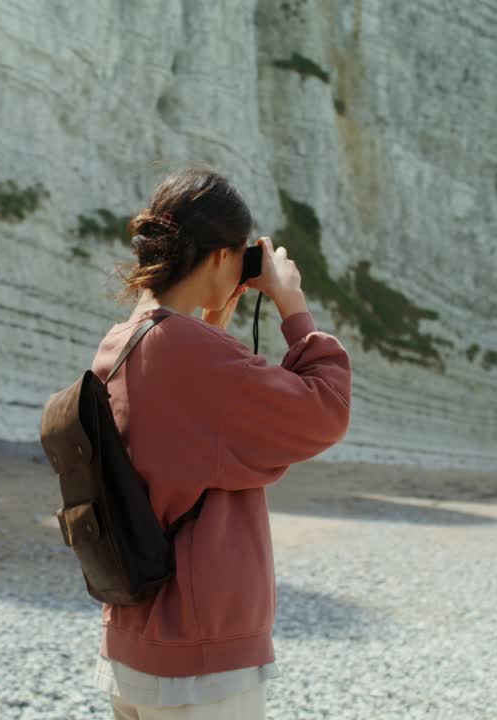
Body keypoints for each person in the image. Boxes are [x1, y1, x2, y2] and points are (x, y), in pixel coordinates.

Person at [88, 166, 353, 719]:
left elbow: (184, 437)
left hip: (131, 651)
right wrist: (293, 305)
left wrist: (212, 326)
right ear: (221, 257)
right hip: (201, 668)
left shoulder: (118, 344)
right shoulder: (195, 353)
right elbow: (326, 411)